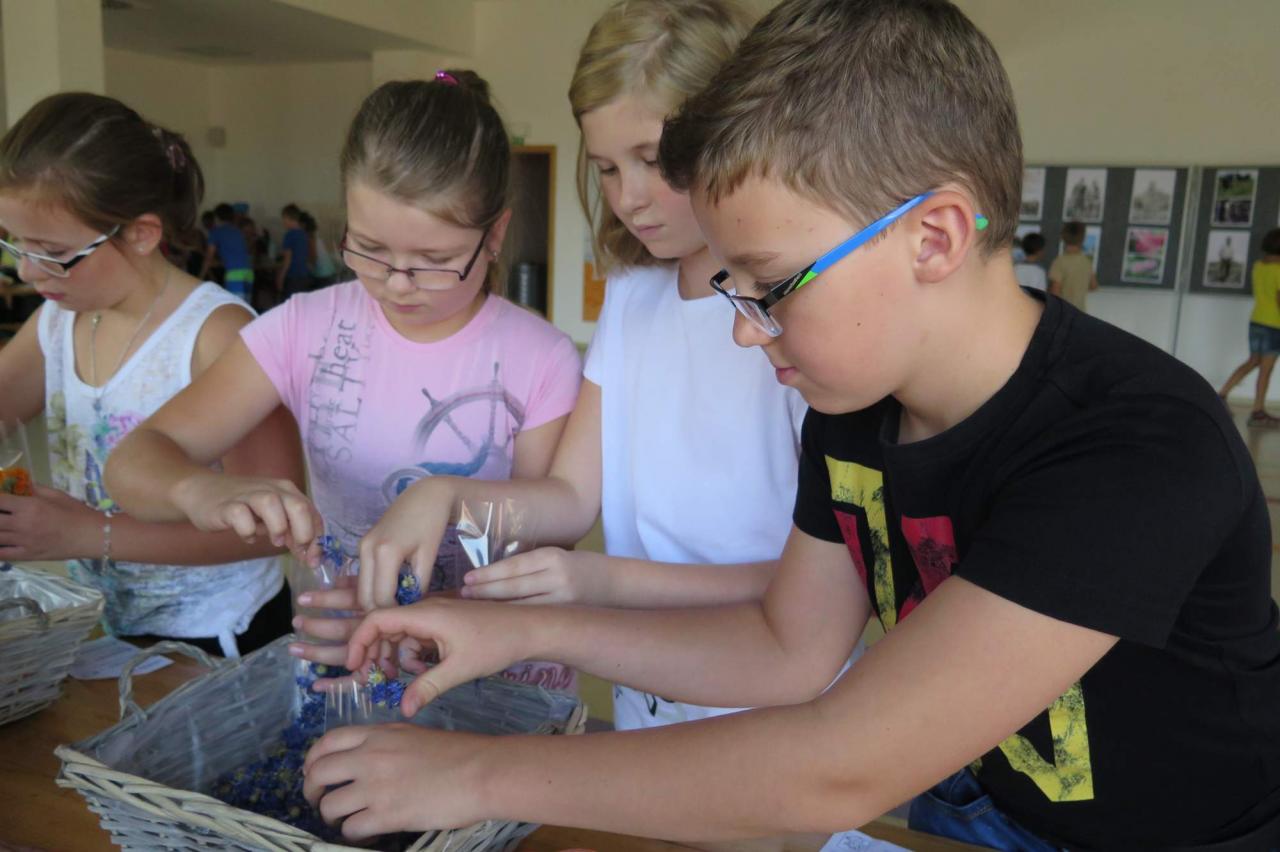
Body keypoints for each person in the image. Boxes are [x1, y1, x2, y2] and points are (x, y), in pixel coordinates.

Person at [297, 2, 1280, 849]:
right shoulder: (854, 412)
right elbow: (785, 645)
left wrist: (473, 775)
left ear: (933, 236)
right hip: (967, 810)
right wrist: (512, 631)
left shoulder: (1137, 445)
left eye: (770, 285)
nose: (743, 328)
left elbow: (838, 762)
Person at [294, 0, 842, 730]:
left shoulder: (794, 318)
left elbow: (819, 587)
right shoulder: (633, 293)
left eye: (654, 160)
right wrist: (444, 497)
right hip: (644, 695)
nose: (629, 198)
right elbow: (571, 497)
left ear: (733, 134)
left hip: (773, 710)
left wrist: (600, 579)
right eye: (607, 168)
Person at [105, 71, 582, 688]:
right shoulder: (305, 328)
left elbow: (554, 530)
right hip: (348, 657)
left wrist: (426, 605)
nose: (397, 283)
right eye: (370, 249)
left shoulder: (540, 357)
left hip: (495, 672)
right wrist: (199, 491)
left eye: (435, 261)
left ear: (494, 235)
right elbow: (134, 462)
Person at [0, 93, 303, 657]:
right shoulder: (57, 321)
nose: (26, 270)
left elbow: (269, 528)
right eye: (14, 243)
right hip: (108, 623)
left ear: (141, 234)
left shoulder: (216, 334)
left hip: (220, 636)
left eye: (51, 251)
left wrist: (87, 534)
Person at [1218, 228, 1280, 426]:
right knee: (1266, 369)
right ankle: (1258, 411)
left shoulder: (1258, 266)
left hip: (1257, 320)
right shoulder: (1279, 270)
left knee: (1253, 361)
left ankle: (1222, 395)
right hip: (1274, 324)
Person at [201, 203, 253, 302]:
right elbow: (239, 253)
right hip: (248, 272)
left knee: (236, 305)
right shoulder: (238, 231)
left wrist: (200, 277)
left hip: (234, 274)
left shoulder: (216, 232)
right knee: (246, 306)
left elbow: (208, 258)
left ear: (216, 217)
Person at [1048, 220, 1097, 310]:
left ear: (1063, 237)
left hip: (1064, 312)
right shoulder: (1086, 261)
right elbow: (1093, 286)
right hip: (1080, 312)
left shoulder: (1059, 261)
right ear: (1083, 238)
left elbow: (1055, 292)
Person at [277, 203, 311, 299]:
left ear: (288, 218)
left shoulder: (289, 235)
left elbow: (287, 260)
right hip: (304, 275)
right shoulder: (304, 234)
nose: (283, 222)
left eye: (283, 219)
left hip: (293, 276)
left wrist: (280, 277)